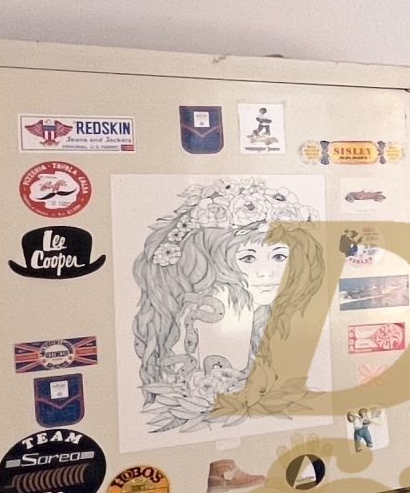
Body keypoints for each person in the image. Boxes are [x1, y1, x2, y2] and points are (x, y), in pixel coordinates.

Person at [131, 178, 323, 431]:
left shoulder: (267, 317)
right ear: (213, 265)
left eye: (279, 256)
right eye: (248, 258)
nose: (267, 272)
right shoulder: (218, 312)